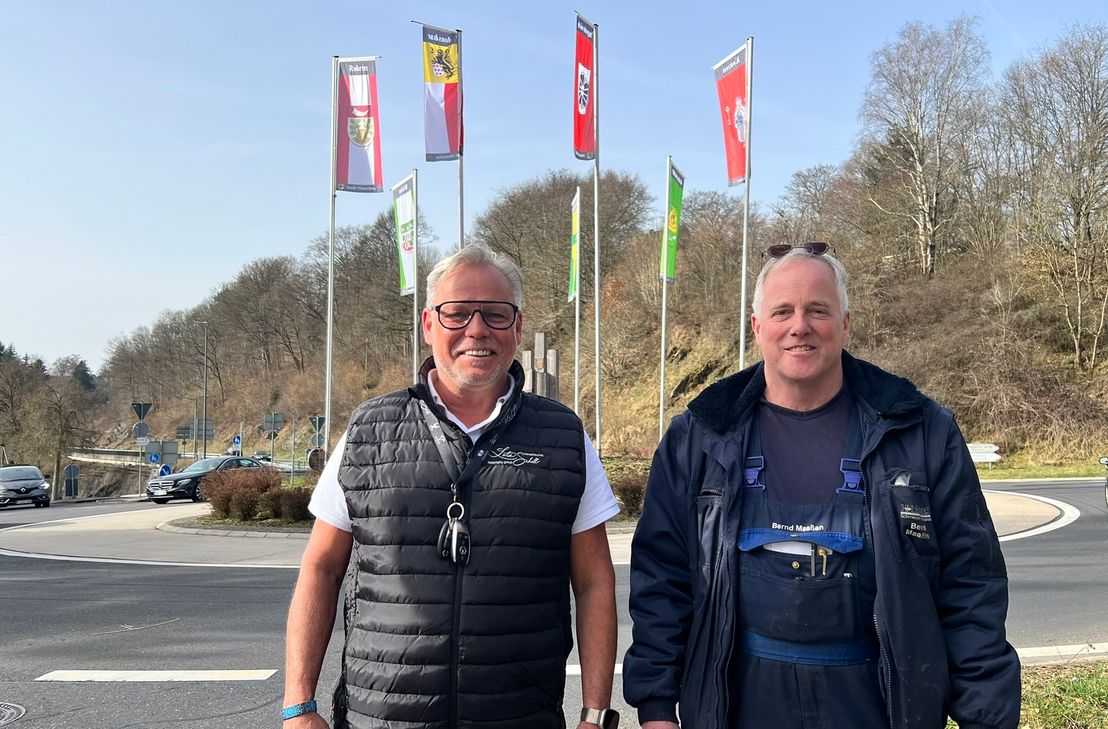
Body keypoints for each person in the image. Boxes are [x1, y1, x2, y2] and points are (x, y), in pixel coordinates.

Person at [623, 243, 1020, 729]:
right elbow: (662, 578)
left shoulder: (921, 432)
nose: (800, 326)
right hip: (735, 706)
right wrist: (657, 705)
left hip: (882, 706)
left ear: (845, 323)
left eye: (817, 310)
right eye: (782, 312)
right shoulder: (699, 437)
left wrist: (985, 715)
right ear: (757, 326)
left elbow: (971, 584)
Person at [283, 244, 620, 729]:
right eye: (457, 313)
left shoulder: (563, 436)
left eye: (496, 314)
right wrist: (298, 706)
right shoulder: (368, 429)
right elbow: (320, 567)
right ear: (428, 325)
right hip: (380, 718)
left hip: (518, 718)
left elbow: (594, 583)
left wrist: (594, 713)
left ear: (518, 327)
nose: (476, 330)